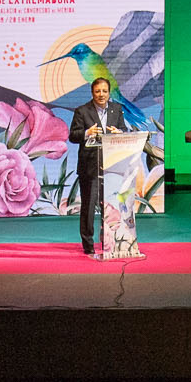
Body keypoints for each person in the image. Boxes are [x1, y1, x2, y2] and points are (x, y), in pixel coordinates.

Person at [68, 75, 117, 254]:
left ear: (109, 92)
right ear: (92, 93)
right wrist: (87, 132)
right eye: (97, 91)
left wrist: (118, 132)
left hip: (112, 166)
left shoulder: (116, 109)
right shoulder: (82, 111)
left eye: (104, 91)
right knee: (88, 206)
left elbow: (124, 130)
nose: (101, 94)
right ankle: (88, 244)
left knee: (111, 206)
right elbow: (72, 136)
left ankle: (110, 242)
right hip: (90, 167)